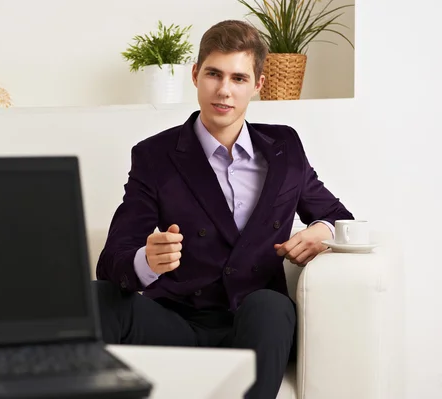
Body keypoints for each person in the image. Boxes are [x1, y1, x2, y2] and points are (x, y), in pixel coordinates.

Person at [93, 19, 353, 399]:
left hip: (254, 330)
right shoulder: (154, 155)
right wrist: (148, 260)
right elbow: (111, 260)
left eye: (239, 78)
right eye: (214, 74)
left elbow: (340, 217)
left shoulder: (285, 148)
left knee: (270, 305)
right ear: (196, 75)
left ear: (258, 85)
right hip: (177, 327)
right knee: (99, 299)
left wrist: (322, 231)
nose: (224, 91)